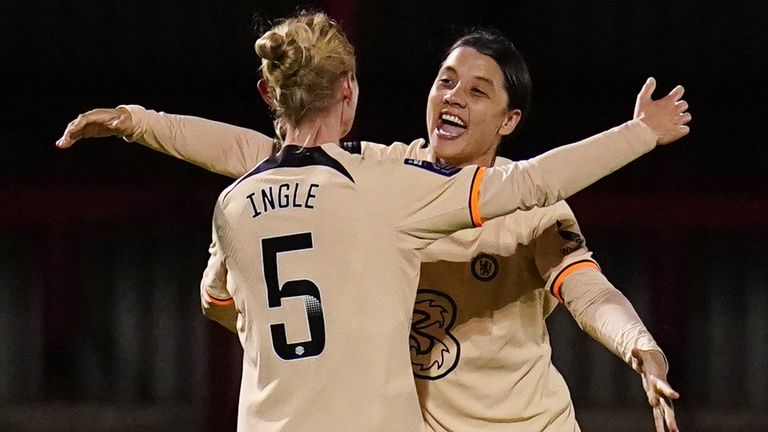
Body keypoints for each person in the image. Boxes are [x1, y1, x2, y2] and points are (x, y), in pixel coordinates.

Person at [57, 19, 690, 432]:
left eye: (477, 92)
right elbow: (267, 160)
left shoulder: (531, 208)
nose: (452, 99)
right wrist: (139, 122)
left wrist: (638, 345)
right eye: (446, 82)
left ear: (509, 121)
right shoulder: (387, 177)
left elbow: (587, 289)